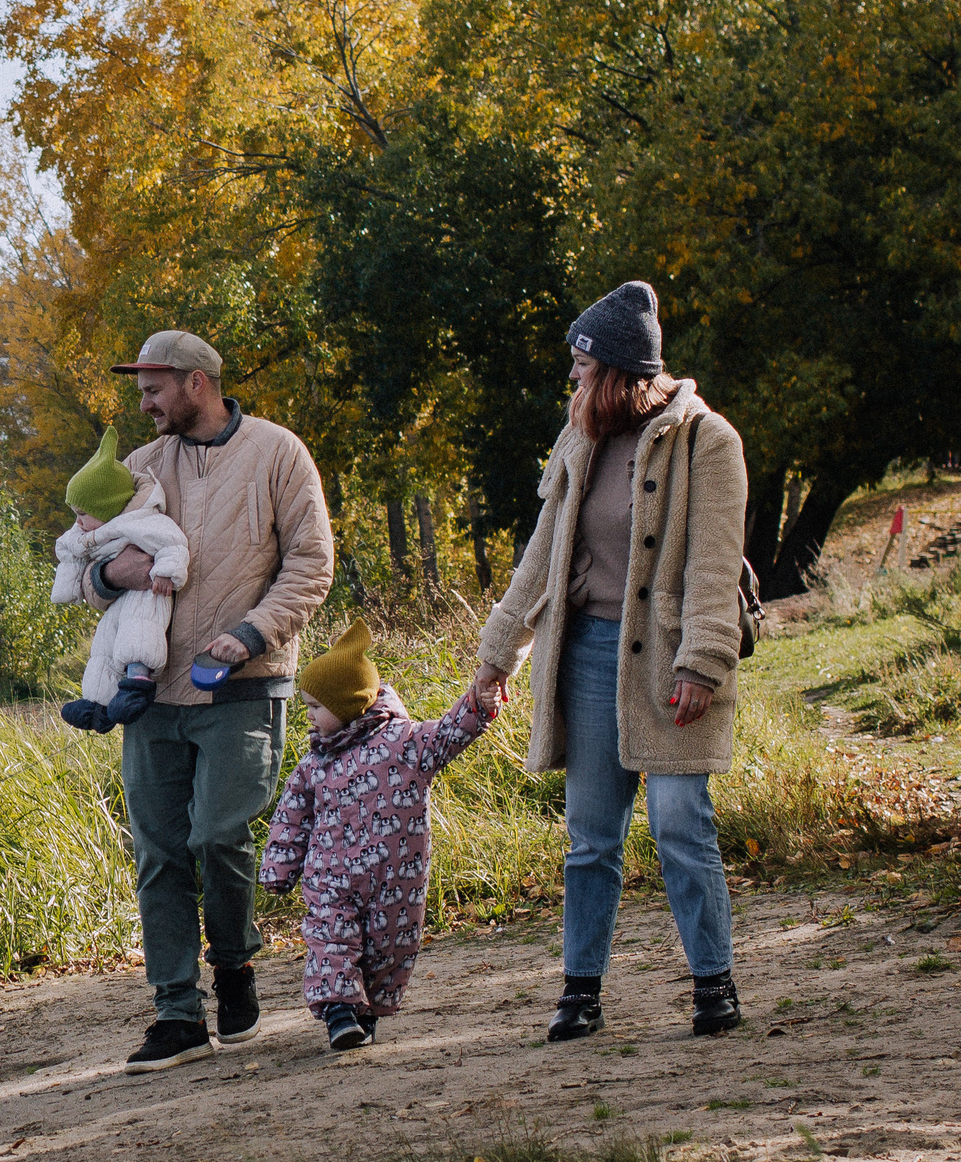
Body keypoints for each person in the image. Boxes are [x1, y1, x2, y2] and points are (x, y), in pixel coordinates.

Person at [472, 281, 751, 1042]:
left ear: (625, 373)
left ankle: (713, 982)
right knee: (591, 837)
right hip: (587, 658)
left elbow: (713, 565)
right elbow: (542, 558)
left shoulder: (708, 442)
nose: (572, 378)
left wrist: (701, 661)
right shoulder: (580, 437)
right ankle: (581, 991)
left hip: (669, 661)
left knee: (679, 824)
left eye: (583, 365)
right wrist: (498, 652)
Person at [90, 331, 335, 1071]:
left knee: (218, 837)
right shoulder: (139, 467)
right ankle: (175, 1011)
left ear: (196, 384)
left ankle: (235, 966)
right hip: (152, 687)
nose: (144, 402)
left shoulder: (278, 453)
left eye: (153, 388)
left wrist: (252, 632)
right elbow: (89, 557)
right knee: (158, 851)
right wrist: (113, 575)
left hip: (244, 683)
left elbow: (313, 561)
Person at [261, 619, 496, 1051]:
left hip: (395, 878)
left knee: (388, 948)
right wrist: (279, 868)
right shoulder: (315, 764)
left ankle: (364, 1011)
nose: (309, 716)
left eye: (316, 706)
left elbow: (446, 735)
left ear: (348, 703)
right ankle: (338, 1010)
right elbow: (291, 818)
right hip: (329, 877)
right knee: (331, 937)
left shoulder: (403, 744)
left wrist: (477, 705)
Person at [52, 427, 189, 729]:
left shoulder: (143, 523)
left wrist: (167, 572)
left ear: (108, 509)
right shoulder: (91, 532)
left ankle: (137, 684)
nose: (77, 521)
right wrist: (79, 582)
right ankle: (96, 704)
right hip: (117, 601)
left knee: (139, 633)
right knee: (103, 647)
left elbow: (172, 542)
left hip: (148, 592)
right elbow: (70, 551)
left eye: (83, 513)